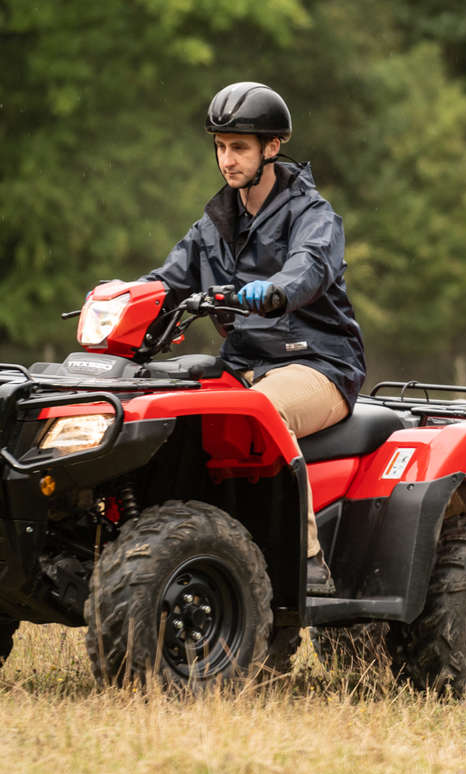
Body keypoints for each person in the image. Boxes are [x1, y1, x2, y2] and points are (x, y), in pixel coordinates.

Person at [142, 81, 366, 595]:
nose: (226, 159)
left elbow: (308, 268)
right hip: (244, 362)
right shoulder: (214, 224)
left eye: (239, 146)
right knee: (168, 407)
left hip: (320, 364)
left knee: (262, 411)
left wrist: (275, 290)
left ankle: (307, 561)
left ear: (272, 146)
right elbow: (167, 280)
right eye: (220, 146)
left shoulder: (314, 216)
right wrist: (123, 295)